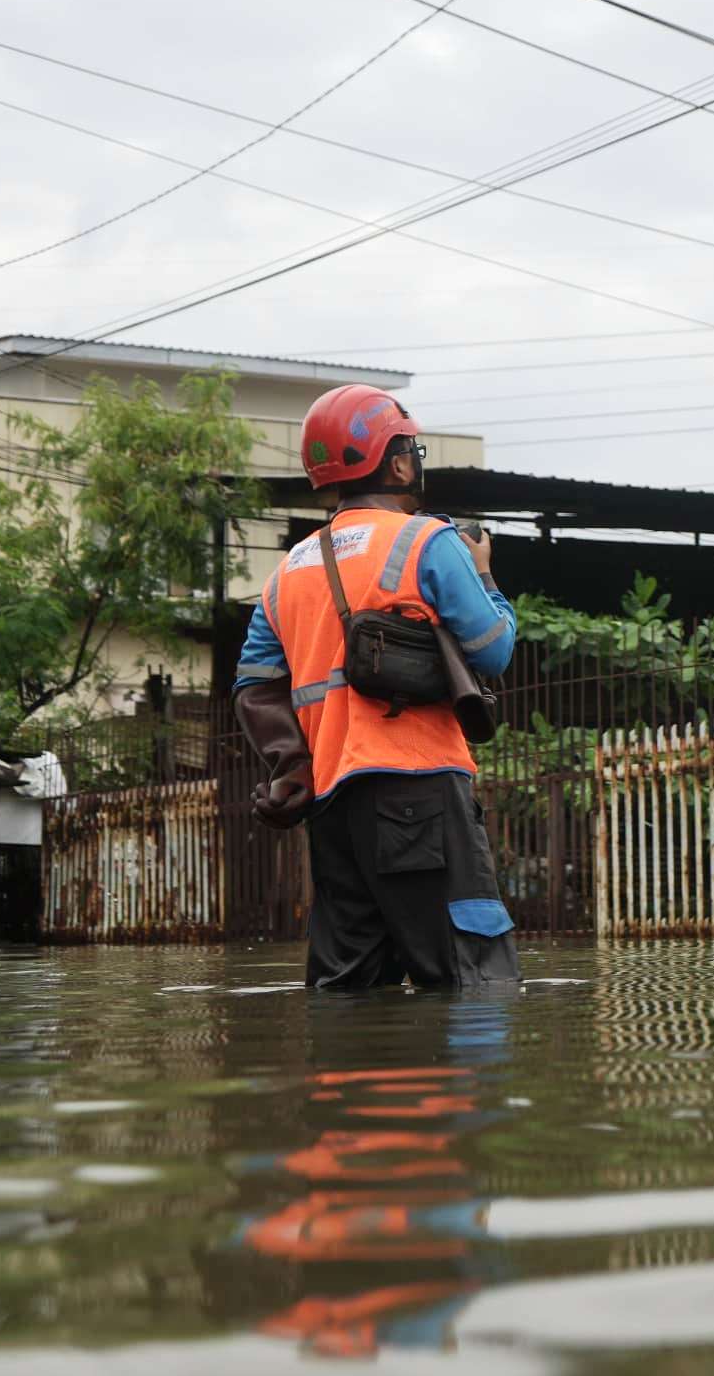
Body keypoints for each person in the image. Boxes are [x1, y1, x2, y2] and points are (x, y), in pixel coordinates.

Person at [234, 385, 521, 989]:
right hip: (420, 793)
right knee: (473, 979)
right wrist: (486, 574)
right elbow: (493, 650)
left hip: (333, 807)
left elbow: (254, 686)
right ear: (396, 464)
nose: (415, 460)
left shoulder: (286, 572)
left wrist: (291, 767)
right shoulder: (427, 541)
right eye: (410, 449)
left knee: (348, 988)